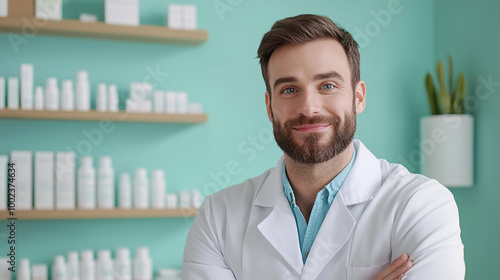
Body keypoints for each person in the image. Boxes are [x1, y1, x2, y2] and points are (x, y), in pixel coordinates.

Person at [182, 14, 465, 280]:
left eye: (327, 85)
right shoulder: (218, 217)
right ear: (270, 107)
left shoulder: (421, 205)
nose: (309, 108)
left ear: (358, 97)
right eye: (289, 90)